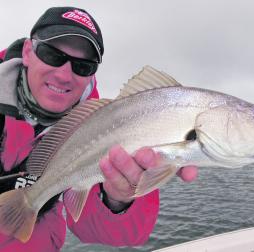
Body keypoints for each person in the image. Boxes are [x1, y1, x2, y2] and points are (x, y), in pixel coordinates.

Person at [0, 6, 197, 252]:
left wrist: (118, 199)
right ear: (28, 52)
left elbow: (109, 231)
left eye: (83, 66)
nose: (63, 74)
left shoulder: (102, 127)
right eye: (52, 55)